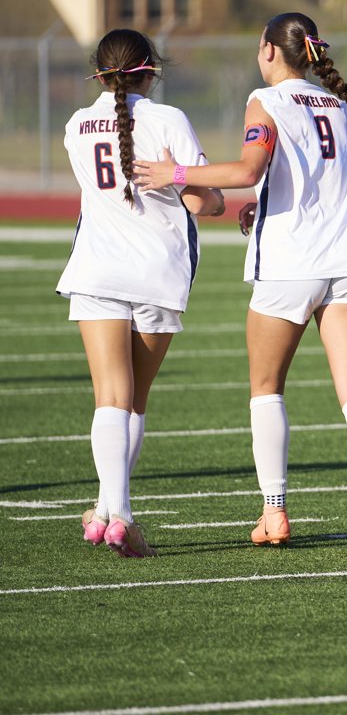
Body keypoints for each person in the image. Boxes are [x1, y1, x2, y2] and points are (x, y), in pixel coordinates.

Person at [134, 12, 347, 554]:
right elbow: (307, 183)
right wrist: (267, 207)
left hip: (291, 265)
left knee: (266, 390)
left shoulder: (268, 100)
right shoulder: (340, 104)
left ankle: (274, 512)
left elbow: (247, 170)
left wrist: (175, 175)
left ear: (268, 50)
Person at [60, 28, 224, 558]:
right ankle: (117, 514)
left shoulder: (76, 124)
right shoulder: (168, 118)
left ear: (100, 70)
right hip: (157, 272)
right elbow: (202, 201)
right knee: (133, 400)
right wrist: (221, 199)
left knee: (110, 396)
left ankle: (110, 511)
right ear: (150, 69)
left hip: (98, 270)